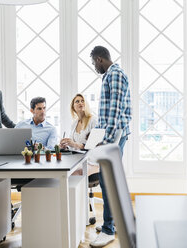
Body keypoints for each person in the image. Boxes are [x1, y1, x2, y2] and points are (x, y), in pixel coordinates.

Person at [89, 46, 132, 247]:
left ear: (99, 59)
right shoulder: (110, 76)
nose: (94, 67)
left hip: (114, 136)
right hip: (110, 135)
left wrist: (105, 140)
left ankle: (108, 230)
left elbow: (114, 112)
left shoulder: (115, 75)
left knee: (108, 181)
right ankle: (111, 224)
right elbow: (106, 113)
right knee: (107, 181)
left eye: (93, 63)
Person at [59, 93, 99, 176]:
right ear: (73, 107)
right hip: (78, 159)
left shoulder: (93, 120)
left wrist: (75, 144)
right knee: (61, 171)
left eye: (82, 101)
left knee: (73, 173)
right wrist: (65, 146)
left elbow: (95, 146)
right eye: (77, 101)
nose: (80, 103)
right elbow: (72, 145)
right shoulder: (74, 123)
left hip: (92, 160)